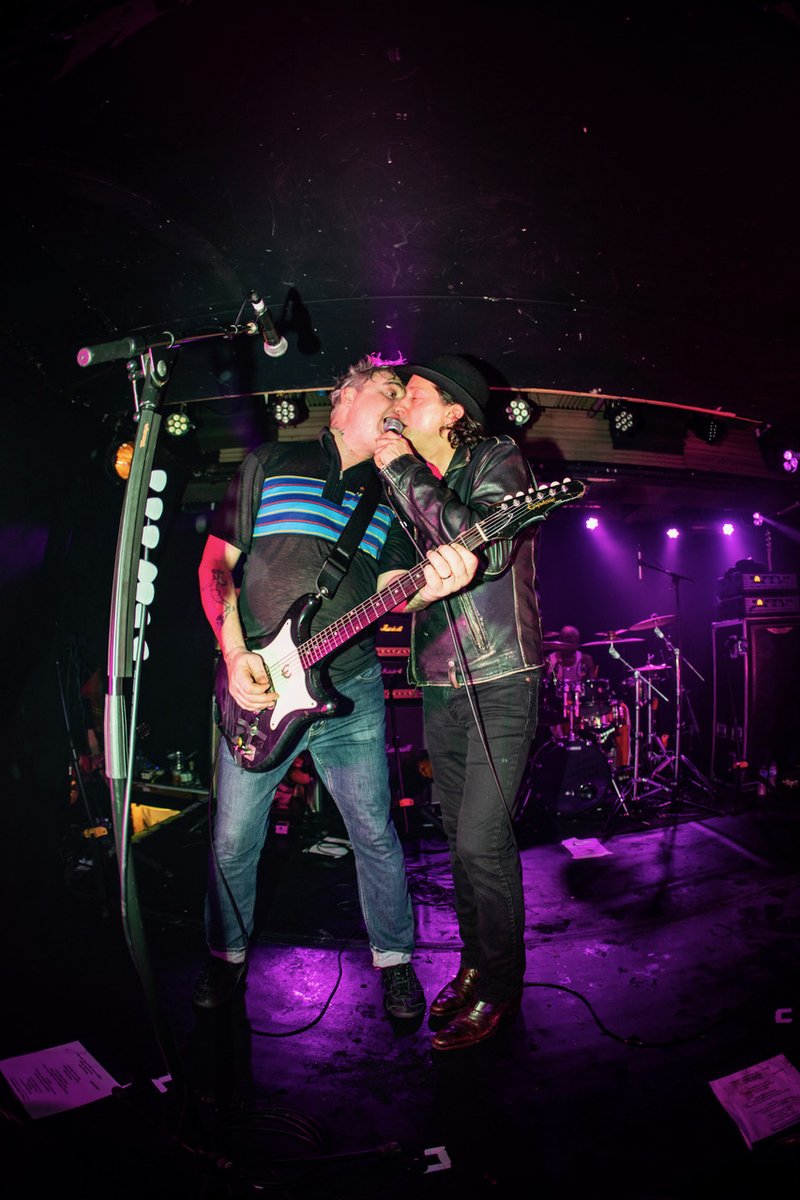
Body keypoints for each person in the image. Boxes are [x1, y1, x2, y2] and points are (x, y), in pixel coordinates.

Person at [193, 355, 478, 1019]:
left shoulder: (391, 493)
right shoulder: (271, 460)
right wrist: (236, 654)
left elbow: (388, 595)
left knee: (374, 833)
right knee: (235, 838)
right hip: (258, 689)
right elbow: (216, 563)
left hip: (348, 690)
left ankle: (395, 961)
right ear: (344, 397)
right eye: (388, 391)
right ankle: (224, 959)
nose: (399, 404)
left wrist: (426, 589)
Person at [373, 354, 544, 1050]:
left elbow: (490, 546)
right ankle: (476, 964)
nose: (400, 405)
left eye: (412, 395)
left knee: (483, 841)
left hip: (502, 675)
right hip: (438, 682)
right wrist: (403, 585)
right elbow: (397, 576)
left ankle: (501, 986)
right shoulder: (405, 491)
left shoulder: (498, 459)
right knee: (454, 837)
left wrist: (402, 468)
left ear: (451, 412)